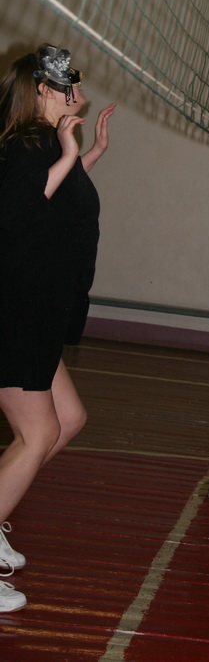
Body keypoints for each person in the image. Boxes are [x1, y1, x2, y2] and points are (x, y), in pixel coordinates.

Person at [0, 44, 115, 612]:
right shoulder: (26, 144)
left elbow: (53, 200)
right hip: (13, 312)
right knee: (37, 433)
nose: (78, 88)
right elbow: (19, 210)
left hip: (35, 312)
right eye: (67, 82)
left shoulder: (45, 144)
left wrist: (86, 154)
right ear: (44, 91)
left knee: (67, 420)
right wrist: (70, 152)